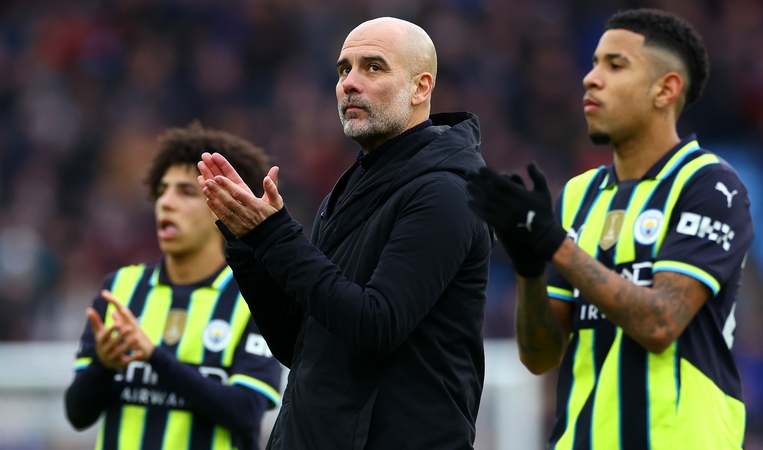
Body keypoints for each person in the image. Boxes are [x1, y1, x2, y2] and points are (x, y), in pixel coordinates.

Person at [197, 17, 491, 450]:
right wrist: (249, 243)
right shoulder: (353, 186)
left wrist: (275, 236)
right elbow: (301, 342)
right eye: (343, 70)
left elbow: (375, 325)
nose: (350, 83)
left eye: (373, 67)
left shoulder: (447, 192)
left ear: (420, 88)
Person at [468, 8, 754, 450]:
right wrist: (528, 269)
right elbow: (541, 356)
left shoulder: (709, 185)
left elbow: (661, 323)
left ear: (666, 89)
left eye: (615, 65)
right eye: (594, 62)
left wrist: (554, 245)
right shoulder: (580, 196)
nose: (590, 78)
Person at [64, 123, 282, 450]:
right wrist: (103, 367)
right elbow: (78, 414)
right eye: (162, 190)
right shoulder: (121, 288)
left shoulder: (253, 298)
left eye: (185, 192)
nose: (165, 202)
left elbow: (246, 413)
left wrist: (154, 357)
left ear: (220, 207)